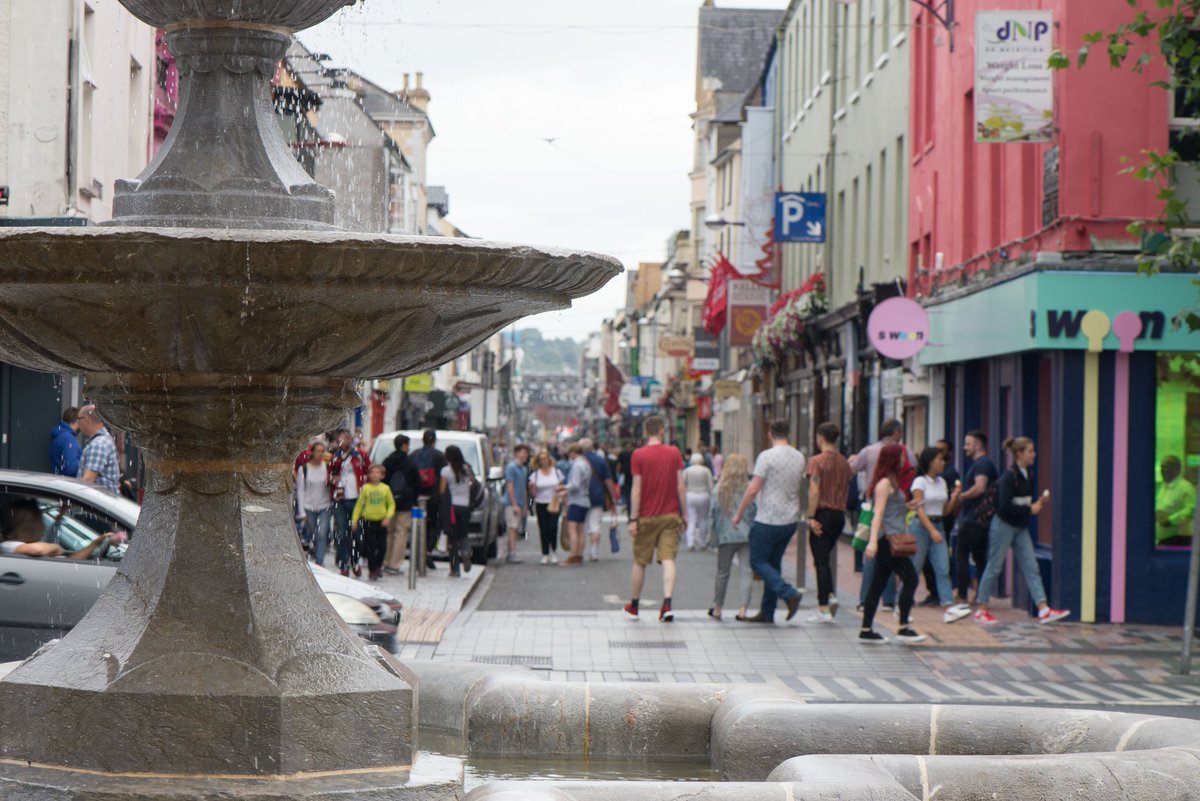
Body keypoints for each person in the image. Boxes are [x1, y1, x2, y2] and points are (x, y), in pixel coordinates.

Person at [974, 437, 1071, 625]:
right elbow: (1004, 506)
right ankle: (981, 609)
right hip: (1003, 526)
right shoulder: (1009, 476)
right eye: (1030, 451)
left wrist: (1036, 504)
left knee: (1031, 565)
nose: (1034, 454)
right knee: (994, 566)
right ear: (1019, 454)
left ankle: (1043, 609)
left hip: (1019, 527)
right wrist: (1029, 509)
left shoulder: (1029, 474)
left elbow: (1023, 502)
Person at [733, 419, 806, 624]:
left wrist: (739, 513)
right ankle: (767, 611)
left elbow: (753, 489)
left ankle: (788, 593)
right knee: (773, 563)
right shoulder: (799, 457)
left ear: (770, 434)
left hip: (768, 518)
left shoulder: (766, 457)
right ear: (789, 434)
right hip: (790, 519)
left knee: (757, 561)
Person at [859, 443, 926, 644]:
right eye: (902, 456)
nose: (905, 459)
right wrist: (872, 542)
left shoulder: (893, 482)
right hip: (888, 541)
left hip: (892, 538)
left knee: (878, 584)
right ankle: (903, 627)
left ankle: (866, 629)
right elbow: (878, 513)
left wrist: (909, 506)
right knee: (911, 578)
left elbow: (891, 510)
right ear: (894, 459)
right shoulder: (884, 484)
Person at [624, 415, 685, 622]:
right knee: (668, 560)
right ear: (661, 431)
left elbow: (636, 489)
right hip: (670, 515)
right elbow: (681, 486)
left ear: (645, 432)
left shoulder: (638, 455)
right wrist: (684, 514)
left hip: (646, 516)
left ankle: (634, 605)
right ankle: (667, 604)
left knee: (640, 562)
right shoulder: (674, 452)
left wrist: (633, 519)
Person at [850, 419, 909, 612]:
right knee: (885, 560)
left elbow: (853, 468)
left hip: (872, 508)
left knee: (878, 562)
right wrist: (873, 540)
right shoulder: (887, 481)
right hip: (885, 520)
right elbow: (880, 512)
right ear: (896, 432)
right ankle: (888, 601)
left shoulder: (868, 451)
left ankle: (867, 601)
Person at [909, 446, 971, 624]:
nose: (943, 463)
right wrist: (932, 530)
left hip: (938, 524)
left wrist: (954, 498)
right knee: (914, 566)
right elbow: (919, 509)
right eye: (939, 459)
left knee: (943, 567)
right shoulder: (920, 482)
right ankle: (903, 603)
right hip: (921, 526)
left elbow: (945, 511)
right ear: (930, 462)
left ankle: (948, 605)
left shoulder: (942, 482)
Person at [805, 422, 854, 624]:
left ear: (821, 437)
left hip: (822, 513)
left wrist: (810, 517)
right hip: (839, 516)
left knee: (820, 560)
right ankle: (831, 594)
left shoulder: (816, 461)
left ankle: (824, 605)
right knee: (824, 557)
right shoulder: (844, 463)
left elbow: (814, 490)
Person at [708, 452, 754, 621]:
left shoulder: (719, 490)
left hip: (725, 536)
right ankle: (743, 609)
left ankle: (718, 608)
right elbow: (755, 512)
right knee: (746, 572)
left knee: (722, 572)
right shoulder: (749, 490)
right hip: (746, 535)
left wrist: (712, 538)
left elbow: (712, 515)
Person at [956, 430, 998, 603]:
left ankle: (962, 594)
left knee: (961, 554)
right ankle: (980, 594)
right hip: (981, 519)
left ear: (978, 445)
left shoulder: (982, 464)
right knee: (980, 557)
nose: (964, 447)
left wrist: (961, 496)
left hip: (975, 517)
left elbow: (980, 487)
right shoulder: (982, 464)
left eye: (968, 444)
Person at [1, 497, 114, 559]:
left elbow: (71, 562)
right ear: (31, 527)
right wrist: (55, 547)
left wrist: (96, 543)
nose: (43, 526)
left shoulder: (31, 547)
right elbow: (36, 549)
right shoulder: (8, 546)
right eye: (40, 521)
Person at [329, 429, 370, 578]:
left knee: (358, 535)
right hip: (340, 500)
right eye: (339, 439)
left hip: (357, 500)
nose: (341, 442)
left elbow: (369, 472)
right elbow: (328, 476)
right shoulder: (335, 457)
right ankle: (343, 565)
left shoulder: (360, 455)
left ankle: (355, 561)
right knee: (341, 534)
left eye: (344, 439)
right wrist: (332, 479)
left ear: (350, 439)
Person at [382, 433, 420, 575]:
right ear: (404, 445)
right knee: (401, 533)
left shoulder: (387, 461)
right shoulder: (410, 462)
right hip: (405, 503)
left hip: (388, 502)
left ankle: (386, 561)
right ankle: (395, 564)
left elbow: (382, 479)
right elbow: (418, 483)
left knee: (389, 533)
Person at [411, 429, 448, 570]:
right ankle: (427, 551)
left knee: (419, 525)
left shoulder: (414, 455)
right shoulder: (440, 456)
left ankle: (418, 553)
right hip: (434, 497)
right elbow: (444, 477)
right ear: (434, 441)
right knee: (436, 525)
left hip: (417, 497)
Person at [352, 464, 395, 581]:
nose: (374, 474)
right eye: (372, 472)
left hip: (381, 522)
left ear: (382, 475)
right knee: (370, 547)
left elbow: (391, 504)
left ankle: (378, 566)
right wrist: (354, 520)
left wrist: (388, 517)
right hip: (368, 521)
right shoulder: (366, 488)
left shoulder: (385, 489)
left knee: (382, 546)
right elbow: (359, 505)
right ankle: (372, 570)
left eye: (377, 472)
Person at [438, 444, 475, 577]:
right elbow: (472, 482)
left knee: (453, 539)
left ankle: (455, 569)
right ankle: (466, 552)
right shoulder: (467, 468)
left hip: (452, 508)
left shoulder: (445, 471)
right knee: (463, 534)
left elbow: (442, 490)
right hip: (465, 507)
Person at [295, 440, 333, 567]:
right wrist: (301, 511)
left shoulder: (327, 468)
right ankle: (315, 554)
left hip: (324, 505)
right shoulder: (304, 469)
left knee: (322, 534)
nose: (320, 454)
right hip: (309, 506)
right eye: (317, 451)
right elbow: (300, 490)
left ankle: (319, 561)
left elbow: (332, 484)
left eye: (322, 451)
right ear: (312, 452)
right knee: (313, 534)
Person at [581, 438, 618, 562]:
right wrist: (612, 496)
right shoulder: (600, 460)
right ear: (592, 447)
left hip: (581, 497)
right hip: (597, 495)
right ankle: (594, 551)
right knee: (595, 524)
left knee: (582, 525)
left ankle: (579, 551)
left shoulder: (578, 461)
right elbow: (608, 480)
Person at [529, 448, 566, 564]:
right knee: (543, 528)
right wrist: (532, 486)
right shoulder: (535, 475)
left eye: (545, 458)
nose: (543, 461)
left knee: (553, 527)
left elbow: (562, 488)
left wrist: (563, 499)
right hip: (541, 503)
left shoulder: (556, 472)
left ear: (549, 459)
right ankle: (545, 553)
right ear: (538, 461)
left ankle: (553, 551)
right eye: (541, 459)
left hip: (554, 503)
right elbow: (533, 493)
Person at [76, 406, 121, 493]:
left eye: (79, 419)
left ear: (86, 419)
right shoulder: (103, 440)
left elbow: (88, 480)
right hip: (104, 499)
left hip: (98, 500)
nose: (78, 423)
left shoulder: (98, 444)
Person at [563, 443, 592, 566]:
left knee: (572, 529)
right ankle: (579, 555)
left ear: (573, 453)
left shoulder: (577, 465)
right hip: (585, 499)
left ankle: (573, 555)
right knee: (581, 530)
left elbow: (574, 484)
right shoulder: (586, 464)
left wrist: (563, 488)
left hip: (576, 499)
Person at [1156, 456, 1196, 546]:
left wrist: (1171, 520)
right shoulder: (1163, 487)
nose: (1162, 470)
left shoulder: (1186, 488)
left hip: (1177, 540)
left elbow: (1192, 509)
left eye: (1166, 467)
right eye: (1162, 467)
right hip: (1162, 539)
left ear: (1177, 469)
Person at [502, 444, 531, 563]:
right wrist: (514, 504)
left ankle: (511, 552)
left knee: (515, 528)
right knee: (512, 528)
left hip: (520, 503)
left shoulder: (524, 469)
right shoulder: (511, 467)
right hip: (511, 503)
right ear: (517, 453)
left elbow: (524, 488)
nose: (525, 455)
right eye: (523, 452)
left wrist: (525, 505)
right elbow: (510, 487)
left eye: (526, 453)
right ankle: (511, 553)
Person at [683, 452, 714, 551]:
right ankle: (702, 542)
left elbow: (683, 484)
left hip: (690, 495)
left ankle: (690, 543)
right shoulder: (706, 471)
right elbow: (710, 486)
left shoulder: (687, 470)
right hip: (703, 495)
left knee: (691, 519)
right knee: (702, 519)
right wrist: (711, 498)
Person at [49, 407, 82, 477]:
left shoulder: (60, 435)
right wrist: (86, 464)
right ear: (77, 421)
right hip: (68, 481)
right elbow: (71, 468)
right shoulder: (68, 439)